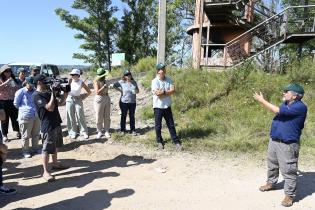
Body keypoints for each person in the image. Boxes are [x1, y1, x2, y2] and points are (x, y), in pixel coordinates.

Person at [253, 83, 307, 207]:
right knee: (272, 164)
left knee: (289, 170)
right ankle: (271, 183)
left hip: (287, 144)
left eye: (287, 91)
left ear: (295, 96)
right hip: (275, 140)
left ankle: (289, 195)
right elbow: (277, 110)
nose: (283, 93)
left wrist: (262, 100)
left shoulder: (300, 107)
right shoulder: (286, 104)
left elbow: (276, 110)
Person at [33, 74, 68, 182]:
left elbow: (61, 102)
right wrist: (53, 93)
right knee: (46, 149)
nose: (48, 83)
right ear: (39, 83)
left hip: (56, 122)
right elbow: (50, 108)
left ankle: (55, 164)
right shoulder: (37, 95)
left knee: (55, 146)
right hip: (47, 125)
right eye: (45, 81)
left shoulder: (47, 92)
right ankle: (45, 172)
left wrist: (66, 92)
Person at [151, 63, 181, 150]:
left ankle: (175, 141)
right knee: (158, 125)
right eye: (160, 70)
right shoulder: (154, 81)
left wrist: (163, 92)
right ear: (157, 72)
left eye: (163, 69)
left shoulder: (169, 79)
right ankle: (159, 141)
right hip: (158, 106)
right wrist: (167, 92)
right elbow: (158, 94)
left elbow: (173, 90)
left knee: (171, 124)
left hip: (167, 106)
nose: (162, 71)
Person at [14, 77, 41, 158]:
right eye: (30, 84)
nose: (31, 86)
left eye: (33, 85)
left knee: (36, 134)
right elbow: (16, 104)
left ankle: (35, 148)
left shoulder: (36, 91)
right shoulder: (20, 92)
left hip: (36, 115)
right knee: (25, 135)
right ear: (26, 83)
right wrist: (25, 110)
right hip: (25, 116)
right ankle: (25, 151)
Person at [66, 69, 91, 139]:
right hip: (69, 99)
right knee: (70, 116)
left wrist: (82, 97)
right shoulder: (69, 81)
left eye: (74, 75)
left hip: (78, 99)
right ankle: (73, 131)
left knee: (80, 115)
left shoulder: (81, 82)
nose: (72, 76)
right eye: (71, 75)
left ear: (78, 75)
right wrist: (68, 83)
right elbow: (66, 91)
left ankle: (83, 131)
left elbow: (89, 92)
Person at [113, 69, 139, 135]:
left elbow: (137, 91)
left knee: (132, 116)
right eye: (127, 75)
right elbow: (114, 86)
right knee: (123, 116)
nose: (128, 76)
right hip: (123, 102)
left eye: (129, 74)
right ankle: (122, 130)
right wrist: (120, 91)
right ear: (124, 76)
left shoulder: (134, 82)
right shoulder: (122, 82)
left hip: (132, 102)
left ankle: (133, 130)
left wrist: (135, 90)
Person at [0, 65, 21, 142]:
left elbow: (17, 89)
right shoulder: (1, 80)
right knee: (4, 119)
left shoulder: (13, 79)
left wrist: (16, 85)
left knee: (15, 117)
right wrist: (6, 82)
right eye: (6, 71)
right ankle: (4, 135)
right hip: (3, 101)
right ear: (3, 72)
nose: (8, 72)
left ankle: (18, 131)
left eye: (9, 71)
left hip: (12, 101)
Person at [93, 68, 111, 139]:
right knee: (99, 116)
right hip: (99, 99)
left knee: (107, 115)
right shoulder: (96, 81)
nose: (104, 76)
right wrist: (103, 87)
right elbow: (97, 92)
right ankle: (99, 131)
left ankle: (107, 130)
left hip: (106, 97)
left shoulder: (105, 80)